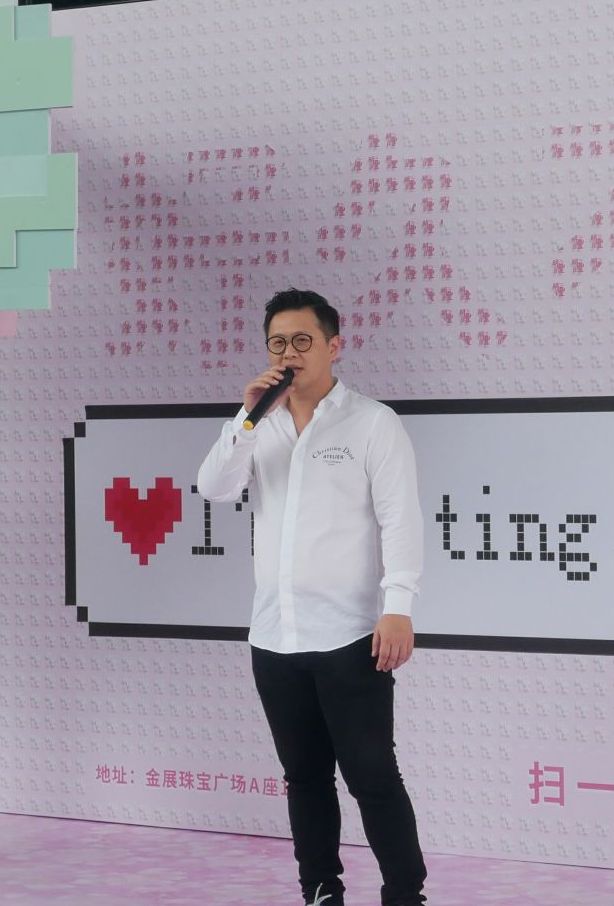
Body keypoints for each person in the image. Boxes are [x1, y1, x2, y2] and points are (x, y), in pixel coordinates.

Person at [195, 289, 428, 906]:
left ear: (333, 345)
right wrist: (247, 417)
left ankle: (406, 894)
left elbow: (400, 520)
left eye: (302, 341)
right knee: (303, 778)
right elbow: (212, 487)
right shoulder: (259, 424)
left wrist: (398, 607)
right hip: (275, 636)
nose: (289, 354)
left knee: (372, 775)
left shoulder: (371, 422)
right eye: (277, 343)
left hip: (351, 634)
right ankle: (321, 889)